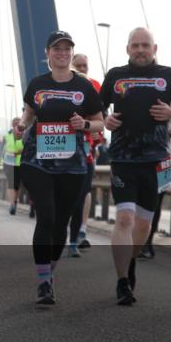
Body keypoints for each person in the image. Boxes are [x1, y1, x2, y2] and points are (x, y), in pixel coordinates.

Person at [100, 27, 171, 305]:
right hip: (124, 158)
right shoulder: (115, 75)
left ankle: (132, 259)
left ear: (154, 48)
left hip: (156, 160)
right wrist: (106, 119)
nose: (140, 50)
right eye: (135, 45)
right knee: (125, 218)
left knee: (143, 224)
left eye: (145, 45)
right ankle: (122, 281)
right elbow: (98, 108)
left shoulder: (167, 74)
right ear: (127, 49)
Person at [17, 32, 104, 305]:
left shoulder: (84, 87)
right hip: (38, 161)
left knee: (61, 223)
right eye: (57, 49)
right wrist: (21, 125)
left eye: (67, 49)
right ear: (48, 53)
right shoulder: (37, 84)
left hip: (73, 163)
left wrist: (86, 125)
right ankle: (43, 283)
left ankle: (49, 273)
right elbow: (29, 113)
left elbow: (100, 121)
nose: (63, 53)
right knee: (47, 215)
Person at [67, 53, 103, 255]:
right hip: (61, 151)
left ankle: (78, 233)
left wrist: (96, 137)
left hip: (86, 148)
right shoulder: (62, 85)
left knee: (83, 192)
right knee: (65, 195)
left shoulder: (95, 86)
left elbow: (100, 117)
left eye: (85, 66)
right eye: (78, 65)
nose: (81, 68)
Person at [138, 118, 171, 259]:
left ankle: (147, 243)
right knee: (138, 205)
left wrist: (170, 129)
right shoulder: (135, 99)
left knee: (155, 206)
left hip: (162, 163)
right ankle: (136, 241)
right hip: (138, 160)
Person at [1, 117, 24, 215]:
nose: (16, 125)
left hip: (19, 163)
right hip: (8, 163)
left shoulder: (24, 135)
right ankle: (12, 205)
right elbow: (1, 149)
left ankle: (15, 201)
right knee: (11, 183)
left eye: (18, 123)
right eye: (14, 123)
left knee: (17, 185)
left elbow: (27, 147)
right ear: (12, 124)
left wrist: (20, 152)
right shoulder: (6, 135)